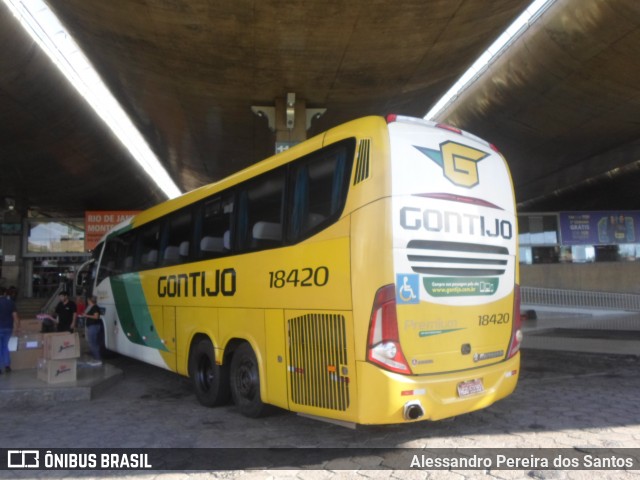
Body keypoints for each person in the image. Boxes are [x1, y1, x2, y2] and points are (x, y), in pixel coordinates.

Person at [0, 286, 20, 374]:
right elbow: (15, 317)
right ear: (4, 293)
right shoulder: (10, 303)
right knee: (5, 346)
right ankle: (7, 365)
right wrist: (17, 328)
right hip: (8, 328)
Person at [82, 296, 102, 366]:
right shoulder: (91, 307)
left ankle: (98, 359)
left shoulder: (95, 307)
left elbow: (96, 317)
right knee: (92, 343)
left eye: (88, 300)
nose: (87, 301)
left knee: (93, 343)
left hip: (93, 326)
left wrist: (86, 315)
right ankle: (95, 358)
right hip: (91, 326)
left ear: (90, 300)